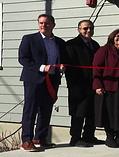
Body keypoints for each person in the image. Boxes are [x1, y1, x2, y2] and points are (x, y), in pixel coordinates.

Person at [18, 14, 66, 151]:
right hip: (34, 80)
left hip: (52, 80)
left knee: (46, 110)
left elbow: (61, 59)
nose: (43, 25)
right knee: (30, 110)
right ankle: (26, 140)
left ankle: (39, 137)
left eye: (46, 23)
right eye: (40, 23)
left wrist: (62, 67)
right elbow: (23, 59)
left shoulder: (60, 42)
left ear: (53, 25)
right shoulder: (29, 39)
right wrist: (41, 67)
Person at [65, 20, 104, 147]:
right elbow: (69, 67)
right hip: (78, 84)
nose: (88, 31)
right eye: (85, 28)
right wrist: (73, 85)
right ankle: (75, 138)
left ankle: (89, 136)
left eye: (91, 28)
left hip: (93, 84)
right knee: (78, 112)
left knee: (92, 111)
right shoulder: (71, 45)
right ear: (79, 30)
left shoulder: (95, 45)